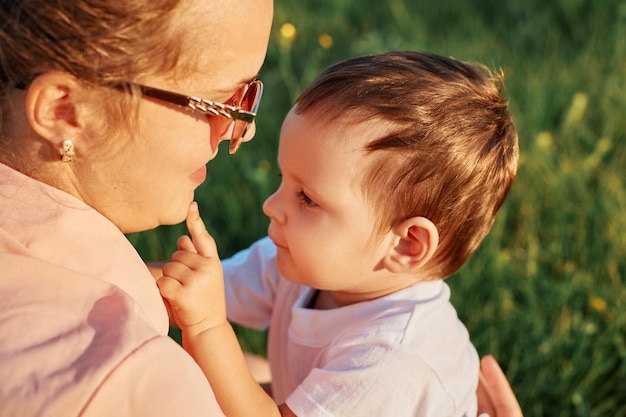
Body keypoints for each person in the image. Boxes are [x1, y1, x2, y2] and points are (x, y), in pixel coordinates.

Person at [157, 51, 520, 417]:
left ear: (407, 244)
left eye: (307, 199)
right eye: (284, 180)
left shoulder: (391, 362)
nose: (271, 205)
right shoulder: (307, 264)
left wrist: (207, 327)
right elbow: (183, 291)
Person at [0, 0, 273, 416]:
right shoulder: (130, 383)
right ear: (65, 111)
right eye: (220, 103)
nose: (244, 130)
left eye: (249, 96)